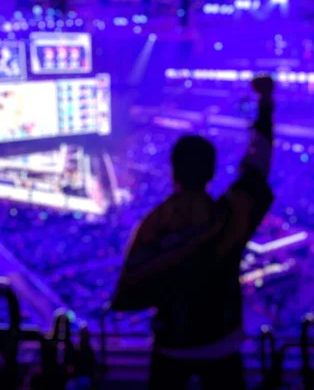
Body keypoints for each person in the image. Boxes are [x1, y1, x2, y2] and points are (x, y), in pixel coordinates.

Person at [112, 75, 276, 389]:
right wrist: (266, 103)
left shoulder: (153, 224)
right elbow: (258, 165)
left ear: (172, 170)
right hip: (223, 342)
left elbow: (128, 292)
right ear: (212, 171)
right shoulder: (230, 216)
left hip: (171, 343)